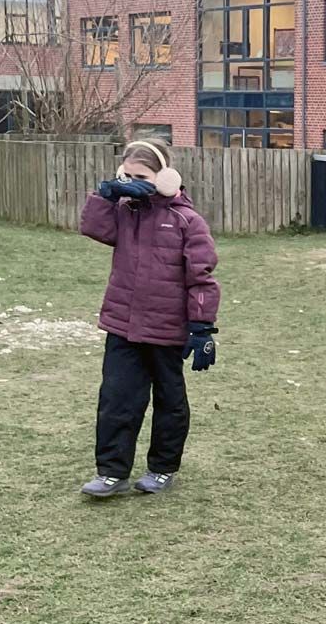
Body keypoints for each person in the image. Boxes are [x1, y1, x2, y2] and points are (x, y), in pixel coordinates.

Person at [77, 138, 219, 499]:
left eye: (140, 176)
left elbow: (201, 276)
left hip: (167, 330)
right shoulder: (124, 213)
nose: (131, 183)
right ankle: (111, 472)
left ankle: (163, 468)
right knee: (117, 398)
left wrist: (202, 328)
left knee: (169, 402)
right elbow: (95, 228)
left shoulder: (187, 220)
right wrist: (105, 195)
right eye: (126, 176)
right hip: (123, 325)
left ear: (165, 177)